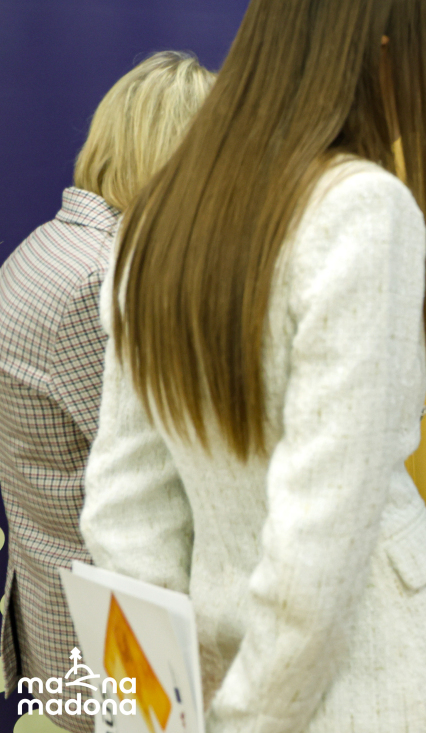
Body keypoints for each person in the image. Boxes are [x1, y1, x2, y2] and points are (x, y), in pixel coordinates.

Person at [80, 1, 426, 731]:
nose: (418, 114)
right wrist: (247, 721)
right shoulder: (360, 207)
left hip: (223, 663)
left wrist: (161, 708)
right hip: (371, 680)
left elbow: (124, 512)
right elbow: (321, 536)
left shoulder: (156, 221)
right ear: (379, 56)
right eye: (425, 81)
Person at [0, 51, 214, 731]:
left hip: (63, 610)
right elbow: (164, 482)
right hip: (119, 642)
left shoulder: (49, 247)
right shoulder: (104, 280)